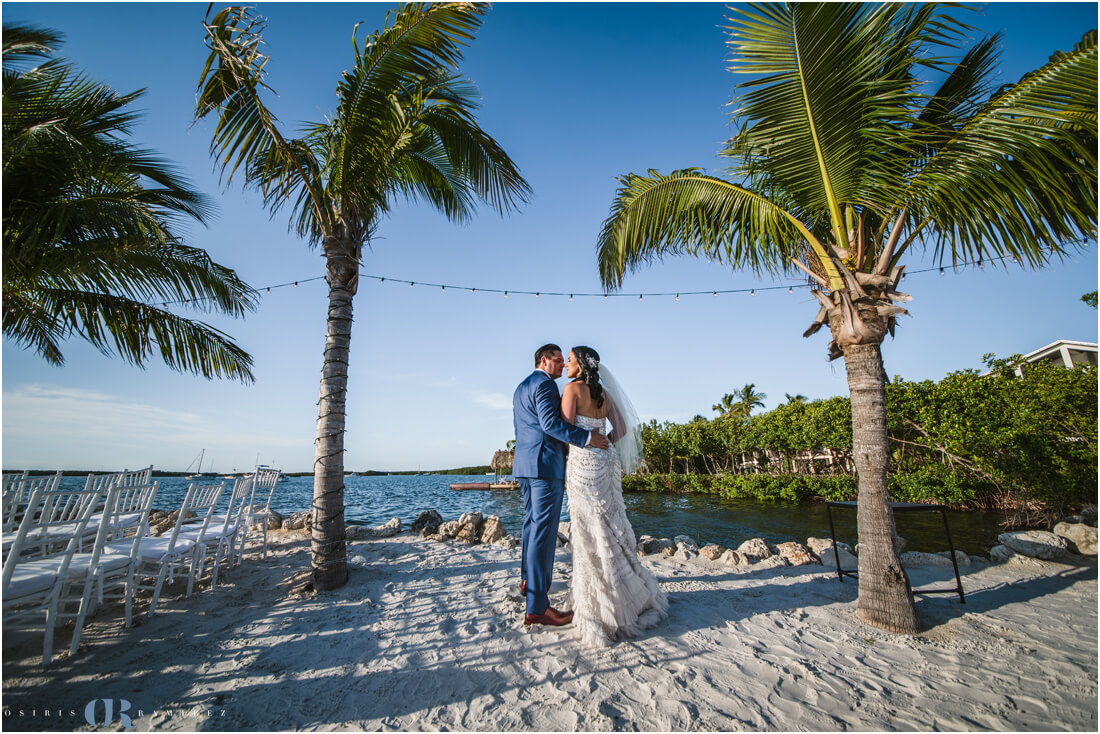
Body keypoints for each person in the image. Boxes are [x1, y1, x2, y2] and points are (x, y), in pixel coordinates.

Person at [561, 346, 668, 646]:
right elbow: (621, 430)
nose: (567, 365)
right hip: (607, 461)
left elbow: (565, 430)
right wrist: (602, 441)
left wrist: (586, 443)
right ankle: (628, 595)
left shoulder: (572, 390)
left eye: (570, 360)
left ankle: (600, 606)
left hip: (584, 464)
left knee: (589, 529)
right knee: (610, 523)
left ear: (581, 365)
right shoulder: (604, 394)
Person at [513, 343, 609, 627]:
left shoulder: (522, 386)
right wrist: (588, 438)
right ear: (544, 361)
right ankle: (537, 607)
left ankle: (528, 583)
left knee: (532, 527)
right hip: (544, 467)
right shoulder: (545, 386)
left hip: (525, 466)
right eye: (558, 361)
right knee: (544, 534)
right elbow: (549, 425)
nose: (563, 366)